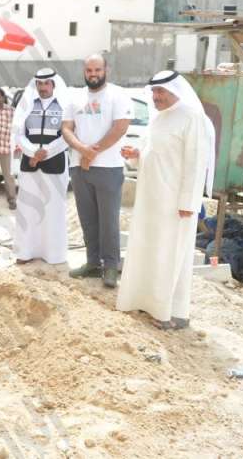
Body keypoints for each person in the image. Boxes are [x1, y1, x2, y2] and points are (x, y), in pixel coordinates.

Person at [116, 70, 213, 330]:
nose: (155, 96)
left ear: (175, 91)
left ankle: (170, 312)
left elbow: (196, 163)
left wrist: (187, 202)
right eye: (154, 91)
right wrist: (136, 153)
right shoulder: (158, 118)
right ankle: (147, 302)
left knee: (170, 255)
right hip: (150, 199)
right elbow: (155, 153)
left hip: (174, 204)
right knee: (151, 251)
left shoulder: (192, 118)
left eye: (161, 92)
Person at [62, 54, 133, 288]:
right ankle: (93, 263)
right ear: (84, 71)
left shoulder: (117, 95)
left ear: (106, 70)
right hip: (79, 167)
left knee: (108, 220)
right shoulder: (74, 97)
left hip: (108, 168)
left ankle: (111, 266)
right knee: (88, 219)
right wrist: (82, 149)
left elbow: (120, 127)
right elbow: (66, 128)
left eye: (97, 70)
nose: (93, 74)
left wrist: (92, 152)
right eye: (89, 70)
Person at [12, 68, 71, 265]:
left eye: (46, 83)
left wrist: (45, 152)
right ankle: (25, 252)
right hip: (30, 164)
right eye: (39, 83)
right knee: (28, 207)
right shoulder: (27, 105)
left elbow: (68, 135)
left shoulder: (65, 105)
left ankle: (53, 254)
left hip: (55, 163)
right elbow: (19, 133)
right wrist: (31, 152)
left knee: (53, 209)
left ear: (53, 85)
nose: (43, 87)